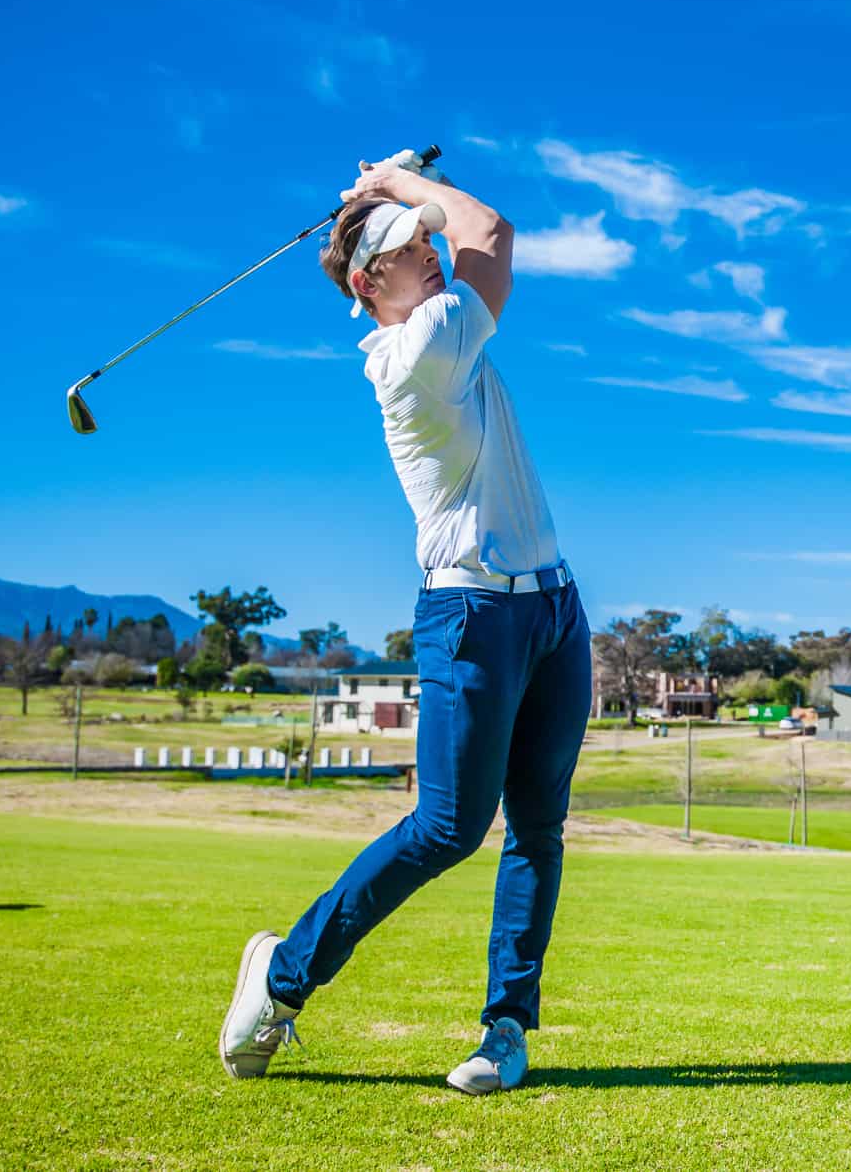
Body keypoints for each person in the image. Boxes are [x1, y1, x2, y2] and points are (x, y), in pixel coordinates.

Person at [218, 150, 591, 1094]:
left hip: (553, 608)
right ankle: (284, 974)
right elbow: (493, 232)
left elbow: (471, 239)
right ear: (363, 280)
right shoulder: (420, 350)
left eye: (425, 240)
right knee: (445, 828)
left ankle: (505, 1029)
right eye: (403, 244)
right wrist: (394, 182)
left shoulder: (447, 329)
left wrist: (400, 198)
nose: (428, 248)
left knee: (536, 828)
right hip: (470, 612)